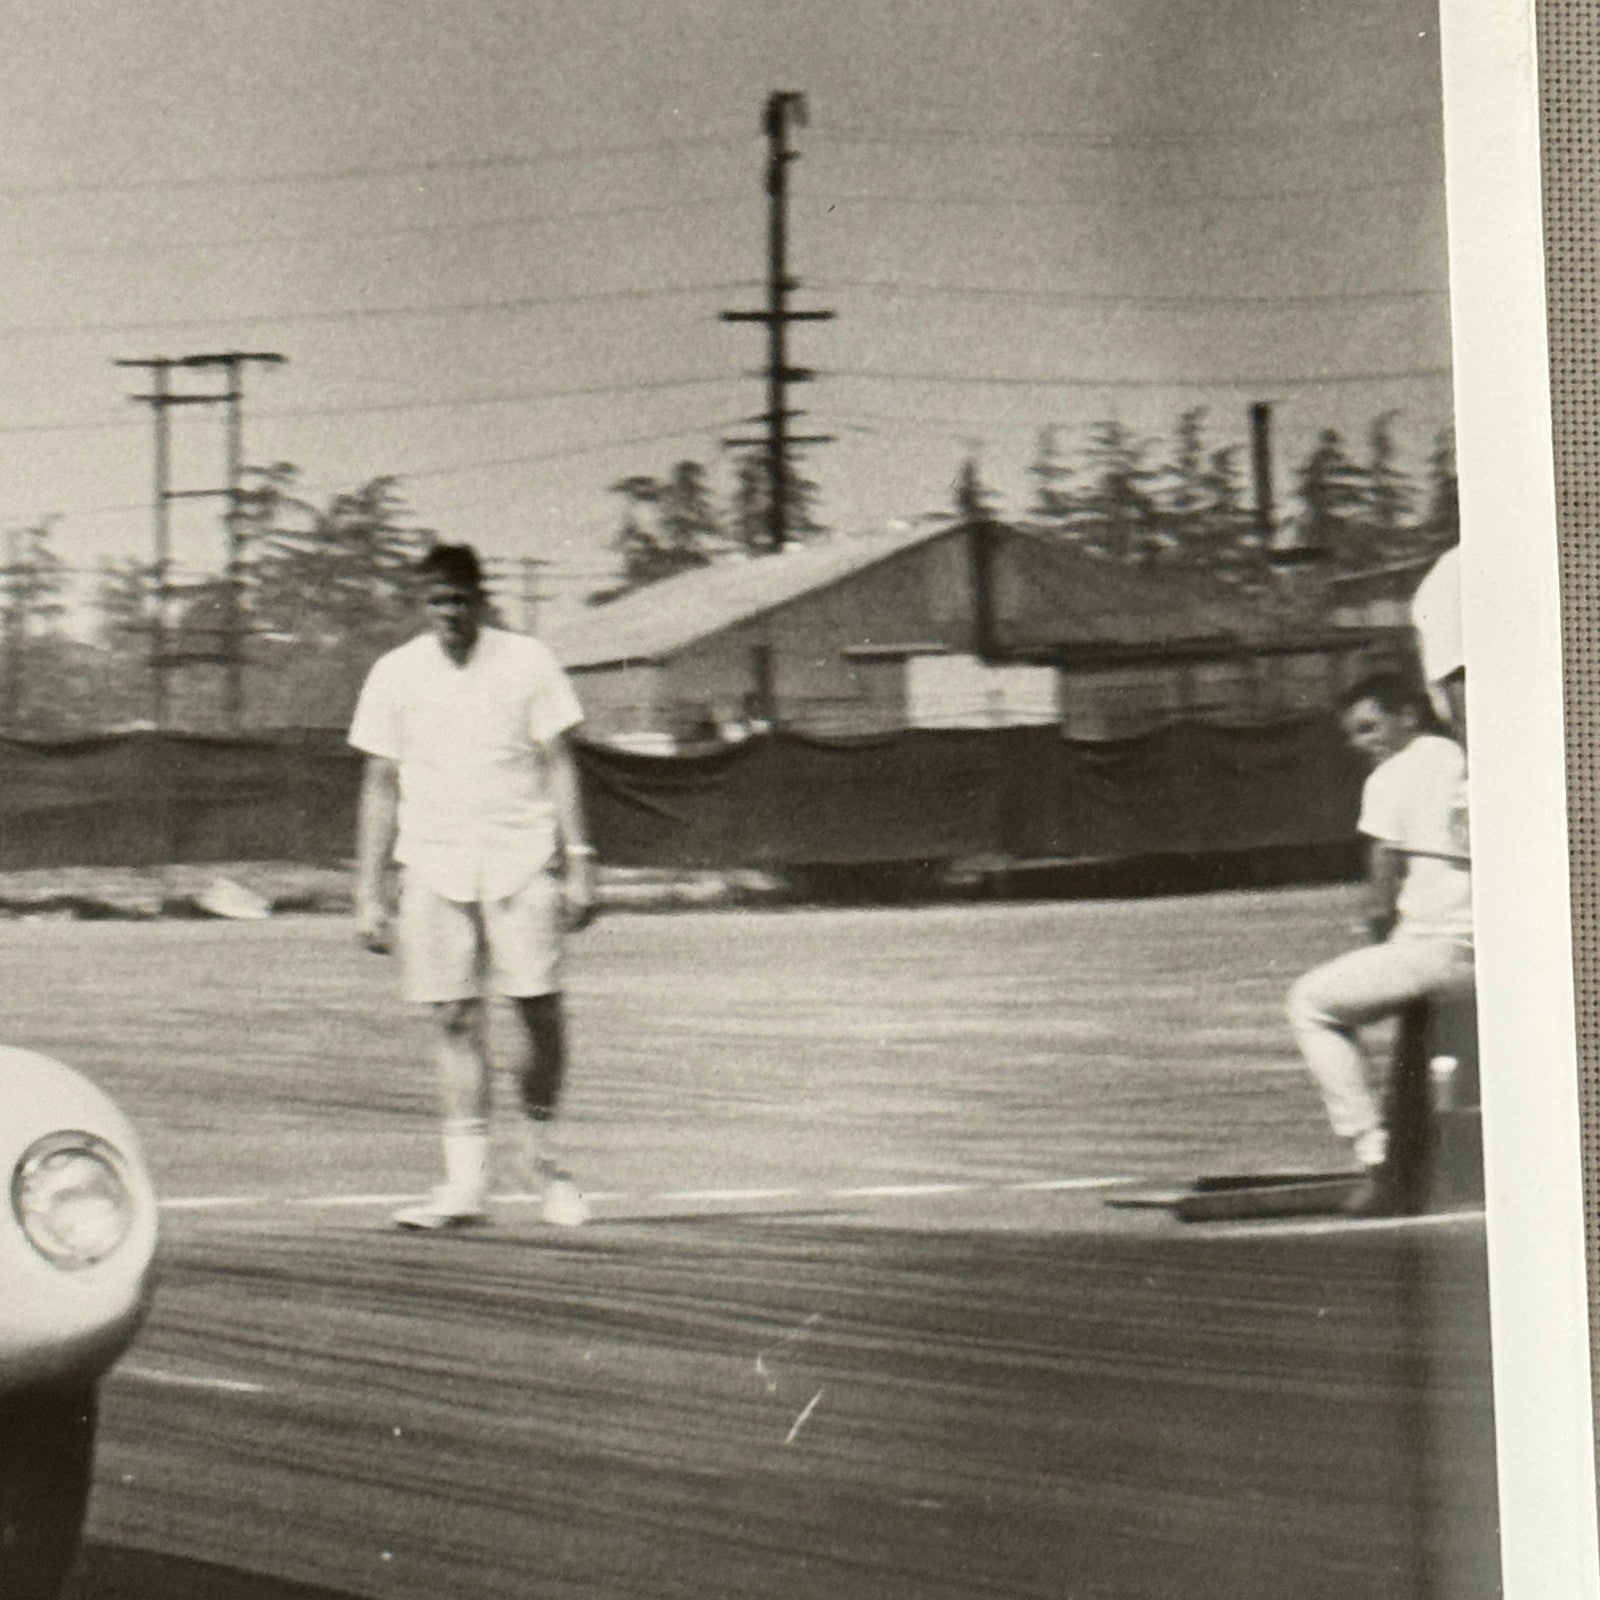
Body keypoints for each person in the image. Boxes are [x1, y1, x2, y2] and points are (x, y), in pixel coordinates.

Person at [348, 542, 598, 1231]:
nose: (450, 612)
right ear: (421, 605)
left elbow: (560, 762)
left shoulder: (527, 662)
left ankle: (543, 1160)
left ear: (480, 600)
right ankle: (466, 1187)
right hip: (433, 863)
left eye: (461, 599)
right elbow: (378, 784)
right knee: (454, 1018)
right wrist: (369, 889)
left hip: (522, 859)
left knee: (536, 1011)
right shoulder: (394, 674)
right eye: (437, 600)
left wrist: (579, 857)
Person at [1286, 670, 1473, 1214]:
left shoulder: (1392, 775)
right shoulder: (1462, 757)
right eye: (1354, 735)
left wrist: (1380, 936)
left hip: (1437, 951)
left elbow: (1380, 882)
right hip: (1489, 950)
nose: (1361, 744)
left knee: (1310, 1005)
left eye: (1370, 728)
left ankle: (1374, 1150)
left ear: (1407, 717)